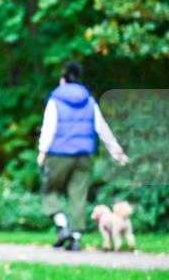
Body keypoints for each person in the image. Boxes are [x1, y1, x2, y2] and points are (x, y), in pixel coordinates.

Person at [37, 61, 129, 251]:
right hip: (84, 155)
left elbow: (49, 127)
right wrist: (116, 150)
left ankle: (62, 226)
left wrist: (42, 151)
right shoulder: (89, 100)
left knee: (49, 189)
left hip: (59, 154)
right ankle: (76, 238)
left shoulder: (56, 100)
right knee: (78, 194)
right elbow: (102, 127)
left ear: (63, 80)